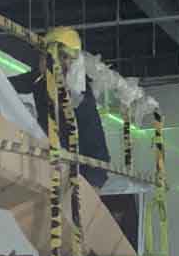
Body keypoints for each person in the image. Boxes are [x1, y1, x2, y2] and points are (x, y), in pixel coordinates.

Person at [11, 26, 111, 189]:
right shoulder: (41, 80)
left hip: (88, 171)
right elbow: (12, 84)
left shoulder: (78, 91)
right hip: (65, 167)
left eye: (68, 58)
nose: (42, 60)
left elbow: (84, 136)